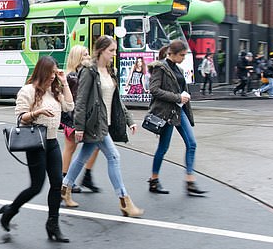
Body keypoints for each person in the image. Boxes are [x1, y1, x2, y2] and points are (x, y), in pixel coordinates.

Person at [62, 35, 143, 217]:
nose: (114, 54)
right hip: (94, 124)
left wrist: (129, 120)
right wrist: (80, 127)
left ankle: (64, 188)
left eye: (115, 50)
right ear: (100, 51)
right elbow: (81, 101)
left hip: (105, 123)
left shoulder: (110, 70)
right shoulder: (89, 70)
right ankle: (124, 200)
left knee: (83, 157)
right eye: (111, 51)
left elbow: (116, 100)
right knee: (114, 156)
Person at [0, 56, 74, 242]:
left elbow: (69, 106)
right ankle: (10, 211)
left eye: (56, 74)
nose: (53, 77)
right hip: (35, 144)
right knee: (36, 186)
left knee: (57, 183)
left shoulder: (55, 90)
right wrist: (37, 113)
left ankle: (53, 224)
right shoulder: (28, 90)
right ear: (42, 72)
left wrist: (64, 83)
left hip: (52, 142)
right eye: (51, 74)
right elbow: (21, 117)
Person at [147, 39, 207, 196]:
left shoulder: (177, 68)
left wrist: (182, 98)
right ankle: (154, 180)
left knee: (192, 144)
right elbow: (153, 90)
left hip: (179, 111)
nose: (184, 58)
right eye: (182, 55)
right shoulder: (160, 67)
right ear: (172, 54)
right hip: (167, 113)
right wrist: (177, 97)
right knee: (163, 147)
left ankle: (190, 181)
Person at [60, 45, 99, 200]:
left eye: (88, 54)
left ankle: (86, 176)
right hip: (73, 118)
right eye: (84, 55)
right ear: (77, 57)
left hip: (82, 118)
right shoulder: (72, 76)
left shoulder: (83, 73)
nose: (88, 56)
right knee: (70, 148)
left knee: (95, 146)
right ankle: (65, 179)